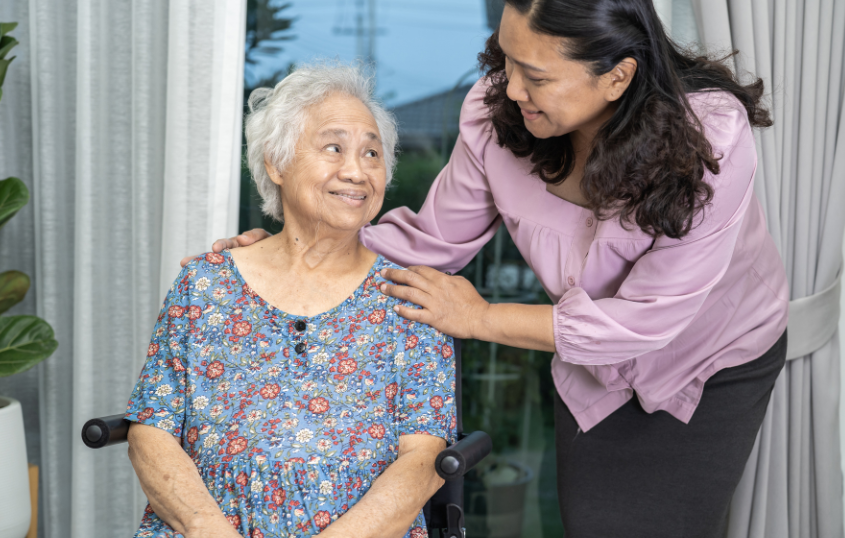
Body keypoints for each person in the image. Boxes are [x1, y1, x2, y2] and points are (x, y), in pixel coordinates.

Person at [200, 1, 790, 536]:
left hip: (711, 356)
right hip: (588, 360)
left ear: (617, 76)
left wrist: (478, 317)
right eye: (508, 61)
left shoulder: (709, 137)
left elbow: (646, 320)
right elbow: (431, 241)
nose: (513, 89)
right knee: (594, 522)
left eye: (536, 76)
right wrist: (296, 247)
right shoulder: (496, 115)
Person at [126, 63, 456, 538]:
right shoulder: (205, 284)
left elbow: (424, 459)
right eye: (334, 148)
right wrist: (208, 530)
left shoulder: (411, 296)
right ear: (275, 164)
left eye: (371, 153)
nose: (356, 171)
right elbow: (149, 431)